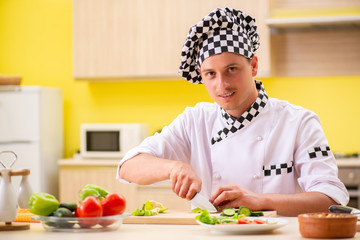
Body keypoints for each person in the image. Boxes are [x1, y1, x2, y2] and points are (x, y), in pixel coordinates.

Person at [117, 7, 349, 216]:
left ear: (254, 66)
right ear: (201, 75)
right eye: (211, 74)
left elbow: (329, 198)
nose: (222, 85)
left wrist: (258, 201)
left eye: (232, 69)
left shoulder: (298, 122)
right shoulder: (195, 121)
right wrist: (173, 167)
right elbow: (128, 167)